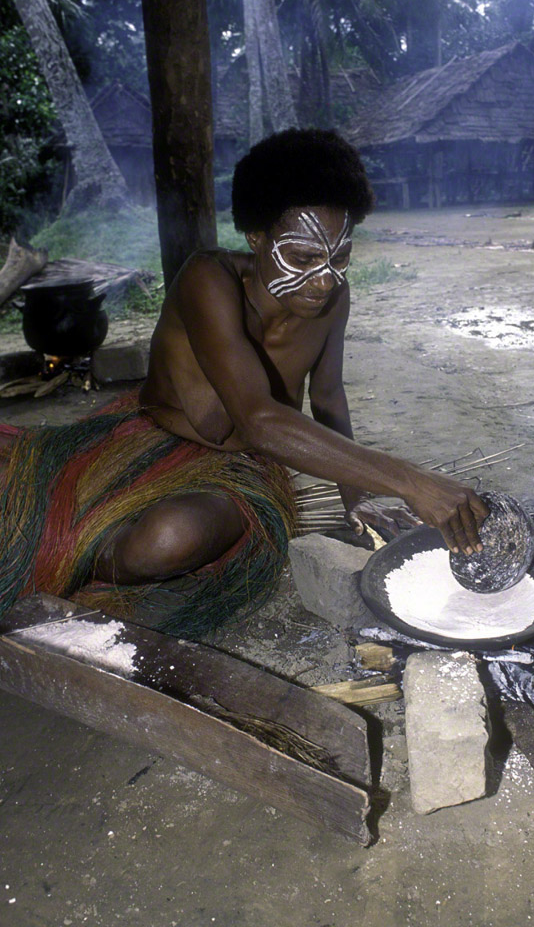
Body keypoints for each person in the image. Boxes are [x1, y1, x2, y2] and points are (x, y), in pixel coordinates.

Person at [0, 129, 487, 638]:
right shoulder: (209, 278)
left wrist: (355, 497)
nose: (324, 280)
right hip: (143, 440)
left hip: (244, 470)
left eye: (339, 259)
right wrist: (414, 481)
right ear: (257, 238)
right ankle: (70, 524)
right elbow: (257, 418)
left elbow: (327, 398)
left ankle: (68, 539)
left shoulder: (333, 300)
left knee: (164, 542)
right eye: (302, 258)